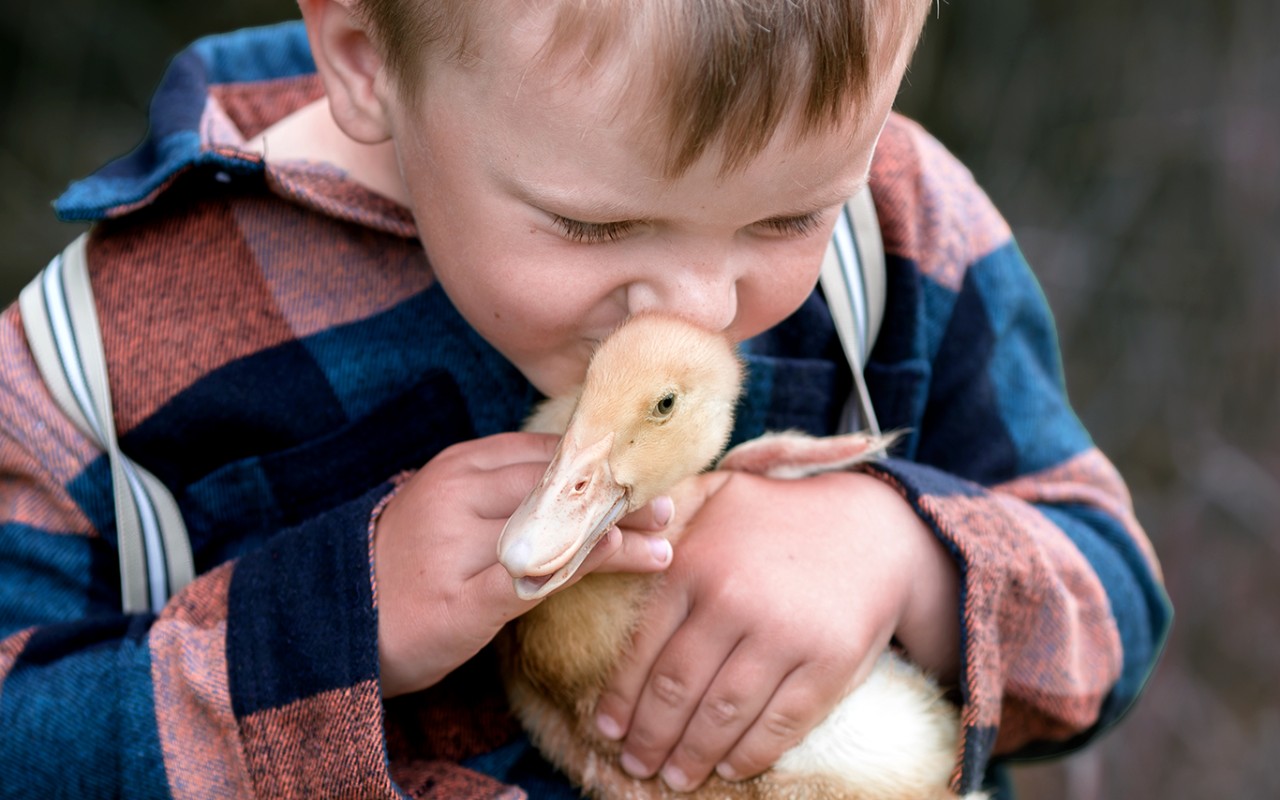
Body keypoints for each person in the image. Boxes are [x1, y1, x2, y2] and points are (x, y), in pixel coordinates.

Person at [0, 0, 1171, 797]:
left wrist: (904, 555)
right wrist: (321, 627)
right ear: (363, 59)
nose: (703, 302)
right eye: (596, 224)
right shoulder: (90, 362)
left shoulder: (898, 226)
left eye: (782, 219)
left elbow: (1111, 591)